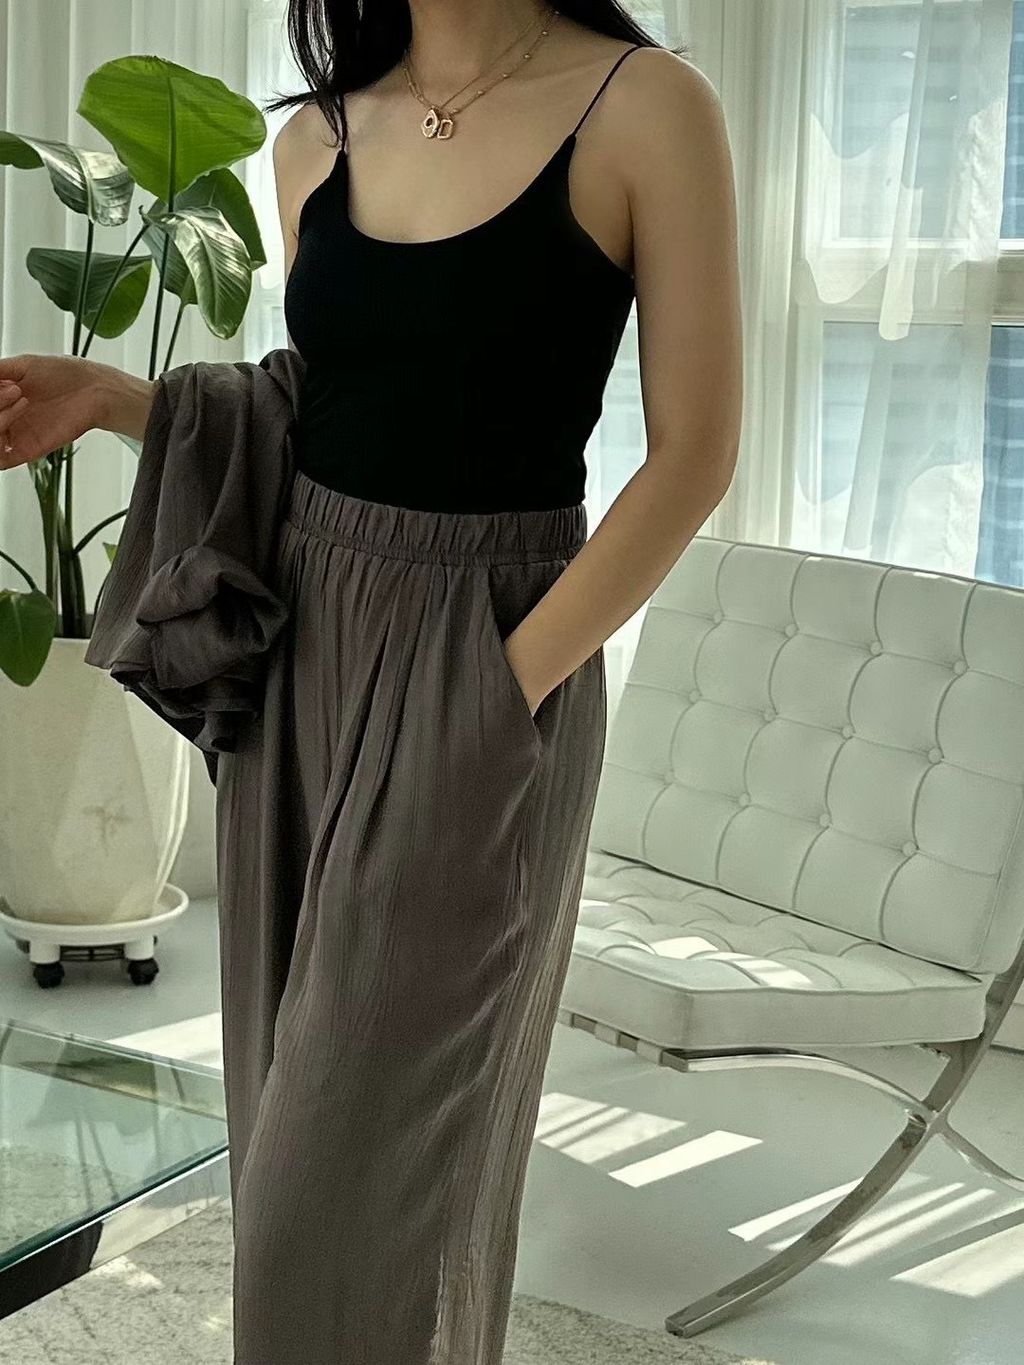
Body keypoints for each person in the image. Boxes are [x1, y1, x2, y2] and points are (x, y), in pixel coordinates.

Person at [0, 1, 742, 1360]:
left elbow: (695, 454)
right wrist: (114, 399)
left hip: (495, 650)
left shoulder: (643, 109)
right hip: (307, 647)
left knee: (362, 1170)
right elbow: (325, 412)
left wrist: (503, 687)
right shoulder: (316, 141)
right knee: (285, 1120)